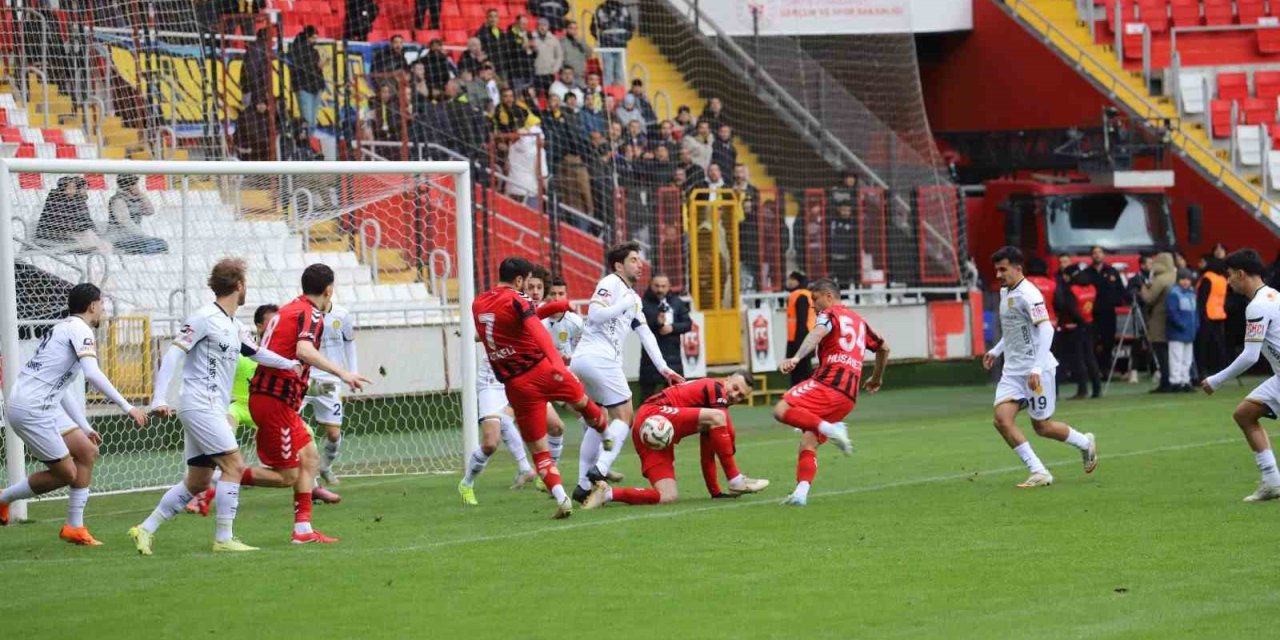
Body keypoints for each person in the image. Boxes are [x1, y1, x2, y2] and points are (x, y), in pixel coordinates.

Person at [129, 259, 299, 555]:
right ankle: (224, 537)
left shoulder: (235, 325)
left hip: (211, 408)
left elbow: (257, 352)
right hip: (199, 405)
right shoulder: (204, 318)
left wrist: (291, 364)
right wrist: (159, 398)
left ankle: (145, 529)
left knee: (198, 481)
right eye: (246, 282)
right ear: (239, 286)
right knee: (234, 465)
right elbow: (174, 354)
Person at [0, 284, 147, 541]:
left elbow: (62, 389)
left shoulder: (61, 327)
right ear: (92, 306)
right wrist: (128, 407)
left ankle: (74, 526)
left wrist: (85, 426)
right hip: (32, 409)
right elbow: (92, 373)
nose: (103, 309)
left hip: (40, 404)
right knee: (67, 474)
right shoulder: (81, 330)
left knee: (87, 451)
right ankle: (4, 498)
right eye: (101, 304)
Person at [240, 264, 371, 544]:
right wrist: (343, 372)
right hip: (275, 400)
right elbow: (303, 350)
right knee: (287, 476)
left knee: (310, 458)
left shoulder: (289, 309)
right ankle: (227, 476)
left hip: (276, 398)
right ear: (328, 290)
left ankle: (303, 530)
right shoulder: (311, 314)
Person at [471, 257, 611, 518]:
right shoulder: (518, 300)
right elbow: (536, 329)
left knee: (539, 446)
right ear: (521, 280)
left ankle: (562, 497)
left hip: (515, 384)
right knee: (581, 403)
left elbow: (503, 326)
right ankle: (607, 441)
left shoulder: (478, 302)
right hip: (541, 369)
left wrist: (557, 305)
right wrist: (557, 363)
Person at [570, 242, 686, 502]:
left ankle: (582, 486)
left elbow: (645, 333)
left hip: (585, 361)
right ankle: (600, 469)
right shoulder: (611, 283)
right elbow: (595, 315)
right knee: (624, 416)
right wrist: (623, 303)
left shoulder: (632, 297)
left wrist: (664, 368)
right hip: (598, 358)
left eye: (639, 259)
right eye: (633, 259)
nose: (640, 264)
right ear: (619, 265)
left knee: (596, 420)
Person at [981, 246, 1098, 489]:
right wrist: (996, 350)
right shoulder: (1006, 292)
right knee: (1001, 419)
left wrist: (1036, 367)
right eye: (997, 270)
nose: (999, 274)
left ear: (1018, 268)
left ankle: (1085, 443)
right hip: (1013, 371)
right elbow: (1014, 330)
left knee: (1042, 427)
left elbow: (1045, 328)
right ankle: (1039, 471)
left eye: (1003, 269)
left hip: (1037, 370)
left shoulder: (1029, 294)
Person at [773, 278, 888, 505]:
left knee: (781, 409)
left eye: (815, 300)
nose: (813, 306)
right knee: (808, 441)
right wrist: (876, 378)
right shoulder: (859, 322)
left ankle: (832, 428)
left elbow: (816, 333)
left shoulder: (830, 315)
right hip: (848, 396)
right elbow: (883, 347)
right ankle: (800, 494)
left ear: (828, 296)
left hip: (828, 383)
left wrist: (796, 357)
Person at [582, 373, 769, 508]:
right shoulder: (715, 388)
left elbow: (708, 451)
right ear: (726, 379)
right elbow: (725, 425)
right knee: (718, 418)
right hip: (654, 414)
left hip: (654, 432)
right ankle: (736, 480)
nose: (735, 395)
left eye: (741, 396)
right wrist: (732, 465)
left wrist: (715, 492)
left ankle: (606, 494)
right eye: (735, 388)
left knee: (667, 496)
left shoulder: (713, 414)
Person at [185, 303, 281, 516]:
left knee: (301, 445)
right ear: (259, 326)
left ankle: (313, 485)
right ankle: (201, 488)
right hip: (238, 406)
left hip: (265, 409)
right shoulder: (240, 349)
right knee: (223, 433)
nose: (276, 324)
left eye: (278, 320)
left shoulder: (281, 353)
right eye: (271, 321)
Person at [1200, 248, 1280, 501]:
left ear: (1241, 274)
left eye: (1230, 275)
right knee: (1245, 414)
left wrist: (1216, 379)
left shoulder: (1257, 306)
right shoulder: (1272, 295)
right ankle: (1272, 481)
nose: (1228, 280)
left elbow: (1250, 355)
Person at [300, 303, 360, 487]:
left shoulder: (342, 315)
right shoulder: (302, 314)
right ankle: (307, 478)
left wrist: (353, 372)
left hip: (328, 383)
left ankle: (325, 467)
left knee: (334, 434)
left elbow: (349, 343)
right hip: (303, 380)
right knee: (289, 424)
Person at [638, 274, 691, 399]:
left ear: (669, 287)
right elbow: (637, 325)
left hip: (673, 357)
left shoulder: (677, 302)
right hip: (649, 358)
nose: (660, 289)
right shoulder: (642, 304)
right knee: (646, 398)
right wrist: (657, 322)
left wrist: (672, 328)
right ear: (650, 286)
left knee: (675, 398)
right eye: (657, 286)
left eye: (663, 286)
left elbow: (688, 324)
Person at [1055, 269, 1101, 399]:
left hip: (1076, 326)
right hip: (1089, 323)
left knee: (1078, 358)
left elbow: (1071, 308)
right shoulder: (1091, 288)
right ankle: (1097, 388)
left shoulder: (1072, 290)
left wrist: (1078, 321)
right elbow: (1095, 307)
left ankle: (1082, 389)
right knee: (1090, 357)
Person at [34, 176, 108, 254]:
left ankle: (100, 253)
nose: (73, 190)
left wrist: (95, 233)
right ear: (63, 189)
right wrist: (78, 229)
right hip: (53, 233)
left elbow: (86, 221)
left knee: (91, 236)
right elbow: (60, 222)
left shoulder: (74, 200)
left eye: (74, 188)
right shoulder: (56, 201)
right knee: (88, 238)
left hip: (68, 232)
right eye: (70, 188)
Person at [1084, 246, 1124, 374]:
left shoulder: (1112, 271)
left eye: (1099, 252)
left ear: (1103, 255)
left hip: (1108, 313)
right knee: (1093, 342)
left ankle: (1106, 369)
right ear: (1091, 255)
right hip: (1092, 313)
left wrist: (1116, 301)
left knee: (1108, 340)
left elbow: (1120, 290)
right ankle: (1095, 370)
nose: (1097, 255)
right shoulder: (1086, 273)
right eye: (1094, 253)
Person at [104, 175, 167, 255]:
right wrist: (143, 235)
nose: (138, 187)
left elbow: (149, 211)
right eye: (136, 184)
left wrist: (143, 197)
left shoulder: (136, 198)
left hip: (134, 236)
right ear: (129, 186)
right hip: (119, 237)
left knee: (161, 244)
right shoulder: (118, 200)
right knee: (155, 245)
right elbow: (125, 221)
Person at [1141, 252, 1176, 393]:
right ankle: (1177, 379)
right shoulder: (1175, 276)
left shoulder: (1160, 279)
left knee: (1161, 352)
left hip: (1159, 318)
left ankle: (1165, 381)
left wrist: (1143, 287)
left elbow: (1149, 298)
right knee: (1175, 353)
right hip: (1175, 319)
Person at [1167, 268, 1199, 393]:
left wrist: (1196, 325)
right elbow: (1172, 312)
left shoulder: (1191, 293)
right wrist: (1181, 324)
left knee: (1187, 359)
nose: (1186, 282)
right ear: (1178, 280)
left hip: (1189, 332)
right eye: (1183, 279)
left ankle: (1185, 380)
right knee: (1176, 358)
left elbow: (1195, 313)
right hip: (1177, 332)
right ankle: (1175, 381)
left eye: (1188, 279)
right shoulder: (1174, 293)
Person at [290, 26, 325, 131]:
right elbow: (300, 67)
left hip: (316, 86)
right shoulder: (296, 49)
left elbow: (316, 69)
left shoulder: (314, 51)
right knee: (308, 120)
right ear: (307, 37)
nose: (315, 40)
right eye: (313, 38)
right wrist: (317, 65)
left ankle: (309, 142)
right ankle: (305, 143)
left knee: (313, 121)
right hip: (304, 87)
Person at [591, 0, 633, 85]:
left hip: (621, 45)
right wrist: (601, 38)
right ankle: (607, 93)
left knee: (620, 71)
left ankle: (619, 93)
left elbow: (630, 25)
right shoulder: (601, 9)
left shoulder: (623, 8)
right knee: (608, 70)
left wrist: (626, 37)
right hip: (606, 46)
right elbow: (593, 27)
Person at [784, 271, 816, 385]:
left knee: (804, 371)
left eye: (791, 279)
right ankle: (795, 395)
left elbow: (802, 322)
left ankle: (811, 393)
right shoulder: (801, 295)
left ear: (797, 281)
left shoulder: (801, 296)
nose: (788, 282)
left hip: (801, 339)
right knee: (798, 370)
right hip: (799, 338)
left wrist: (798, 345)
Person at [531, 18, 563, 91]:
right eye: (540, 25)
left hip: (549, 73)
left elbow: (559, 55)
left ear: (548, 27)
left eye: (545, 25)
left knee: (550, 95)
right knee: (536, 96)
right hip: (536, 73)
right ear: (537, 26)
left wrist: (555, 69)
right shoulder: (531, 37)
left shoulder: (553, 39)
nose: (542, 28)